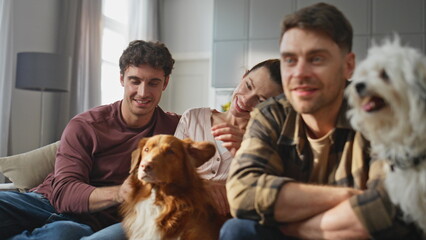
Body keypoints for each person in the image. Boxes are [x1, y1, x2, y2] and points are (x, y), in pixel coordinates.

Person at [220, 3, 422, 240]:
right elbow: (243, 193)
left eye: (316, 59)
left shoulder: (380, 112)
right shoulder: (271, 114)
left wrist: (295, 228)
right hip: (344, 224)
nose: (300, 73)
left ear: (348, 66)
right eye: (290, 60)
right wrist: (350, 197)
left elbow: (390, 208)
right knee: (239, 231)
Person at [0, 40, 180, 240]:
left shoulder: (177, 130)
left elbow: (212, 131)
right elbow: (64, 192)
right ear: (122, 79)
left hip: (87, 223)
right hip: (42, 203)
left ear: (165, 83)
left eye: (153, 83)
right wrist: (120, 193)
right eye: (135, 81)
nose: (143, 92)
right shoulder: (87, 125)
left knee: (64, 233)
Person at [174, 59, 283, 216]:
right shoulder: (193, 118)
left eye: (260, 100)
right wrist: (203, 185)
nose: (245, 100)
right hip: (180, 213)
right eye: (248, 86)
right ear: (243, 76)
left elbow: (264, 196)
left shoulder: (267, 142)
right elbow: (170, 171)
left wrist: (246, 152)